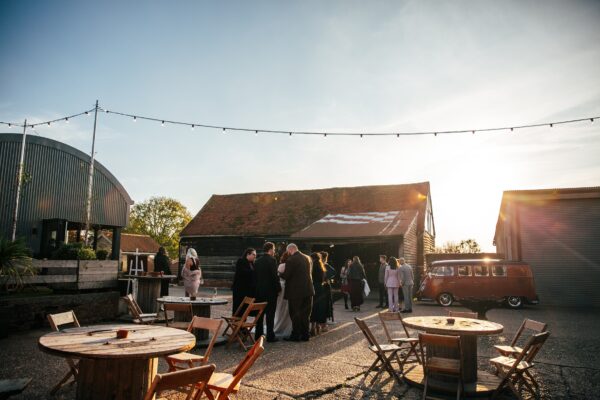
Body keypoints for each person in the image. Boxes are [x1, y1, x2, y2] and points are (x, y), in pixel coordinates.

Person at [280, 243, 314, 342]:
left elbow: (286, 276)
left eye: (288, 252)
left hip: (295, 291)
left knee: (295, 313)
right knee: (306, 314)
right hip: (308, 290)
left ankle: (296, 335)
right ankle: (305, 335)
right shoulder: (307, 258)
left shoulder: (291, 260)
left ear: (290, 250)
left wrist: (279, 273)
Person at [254, 242, 281, 342]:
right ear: (270, 249)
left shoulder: (257, 261)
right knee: (270, 314)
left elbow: (255, 277)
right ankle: (270, 335)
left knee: (260, 314)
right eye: (273, 249)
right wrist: (278, 288)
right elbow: (275, 276)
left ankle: (258, 335)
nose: (274, 251)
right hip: (270, 292)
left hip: (259, 291)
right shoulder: (272, 260)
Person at [231, 248, 257, 314]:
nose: (255, 256)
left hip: (248, 291)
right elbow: (242, 272)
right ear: (248, 254)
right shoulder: (241, 261)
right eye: (253, 254)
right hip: (240, 290)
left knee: (245, 310)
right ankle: (236, 323)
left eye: (255, 255)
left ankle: (242, 322)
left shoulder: (252, 264)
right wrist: (254, 271)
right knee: (238, 308)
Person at [274, 251, 293, 337]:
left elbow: (278, 276)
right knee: (286, 307)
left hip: (282, 287)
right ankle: (287, 326)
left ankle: (279, 324)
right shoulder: (290, 265)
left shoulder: (281, 265)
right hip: (288, 287)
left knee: (280, 306)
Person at [310, 253, 328, 336]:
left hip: (313, 287)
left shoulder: (311, 267)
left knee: (312, 307)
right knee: (318, 307)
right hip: (320, 289)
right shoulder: (322, 267)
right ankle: (318, 326)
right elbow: (323, 279)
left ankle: (312, 327)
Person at [320, 251, 336, 324]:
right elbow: (333, 272)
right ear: (325, 258)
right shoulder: (326, 265)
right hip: (326, 286)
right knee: (326, 303)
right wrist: (328, 278)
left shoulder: (315, 265)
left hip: (317, 286)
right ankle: (324, 321)